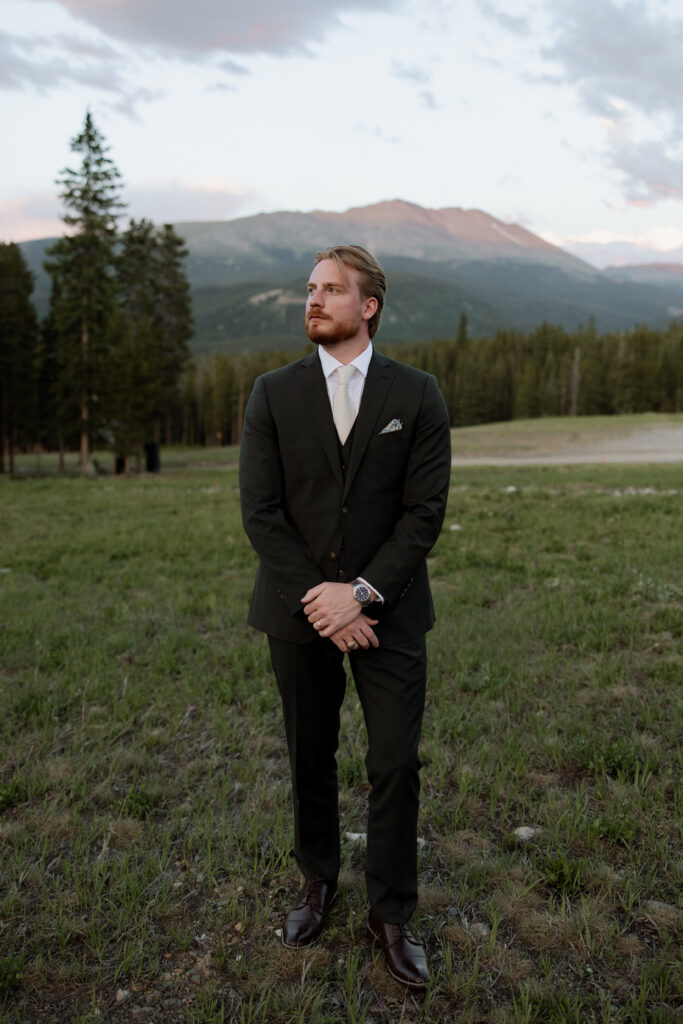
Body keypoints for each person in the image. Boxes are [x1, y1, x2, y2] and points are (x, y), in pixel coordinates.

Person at [239, 244, 451, 988]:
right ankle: (318, 881)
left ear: (369, 306)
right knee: (310, 755)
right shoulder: (272, 393)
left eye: (331, 289)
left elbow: (423, 515)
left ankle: (390, 914)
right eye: (309, 288)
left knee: (394, 762)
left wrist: (359, 595)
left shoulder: (417, 394)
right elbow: (261, 513)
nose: (313, 300)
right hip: (297, 610)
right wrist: (325, 603)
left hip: (388, 612)